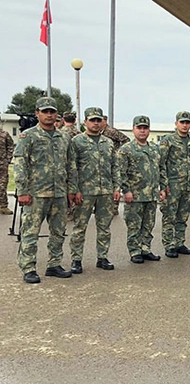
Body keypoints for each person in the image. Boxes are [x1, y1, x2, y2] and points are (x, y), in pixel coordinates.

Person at [12, 96, 77, 284]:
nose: (49, 115)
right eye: (45, 111)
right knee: (30, 232)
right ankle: (28, 267)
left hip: (58, 193)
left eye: (52, 111)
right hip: (36, 194)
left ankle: (54, 264)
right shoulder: (28, 136)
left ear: (57, 114)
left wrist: (71, 189)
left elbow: (71, 164)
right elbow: (20, 163)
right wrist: (23, 190)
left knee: (58, 231)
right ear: (37, 113)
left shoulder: (64, 137)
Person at [68, 107, 120, 273]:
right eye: (92, 120)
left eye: (98, 120)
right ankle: (76, 259)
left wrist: (116, 187)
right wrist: (74, 189)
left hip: (105, 191)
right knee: (80, 227)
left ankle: (102, 257)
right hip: (85, 191)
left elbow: (114, 166)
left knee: (104, 227)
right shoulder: (77, 141)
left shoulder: (108, 143)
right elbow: (72, 168)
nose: (96, 123)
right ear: (85, 122)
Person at [118, 115, 165, 263]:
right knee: (134, 225)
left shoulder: (155, 149)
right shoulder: (126, 149)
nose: (142, 131)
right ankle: (134, 251)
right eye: (139, 128)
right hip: (135, 195)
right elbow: (121, 172)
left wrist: (162, 188)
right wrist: (126, 190)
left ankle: (145, 248)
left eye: (145, 128)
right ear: (134, 129)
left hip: (151, 194)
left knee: (148, 224)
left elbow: (161, 169)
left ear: (149, 130)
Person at [159, 111, 190, 258]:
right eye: (182, 122)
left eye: (187, 123)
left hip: (188, 186)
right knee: (169, 216)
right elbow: (161, 163)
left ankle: (179, 242)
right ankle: (169, 245)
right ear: (176, 123)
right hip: (173, 185)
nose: (184, 125)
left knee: (182, 217)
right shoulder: (168, 141)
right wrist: (163, 184)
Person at [0, 123, 14, 215]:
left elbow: (10, 146)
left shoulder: (5, 134)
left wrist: (8, 159)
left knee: (2, 185)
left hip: (2, 165)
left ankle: (3, 206)